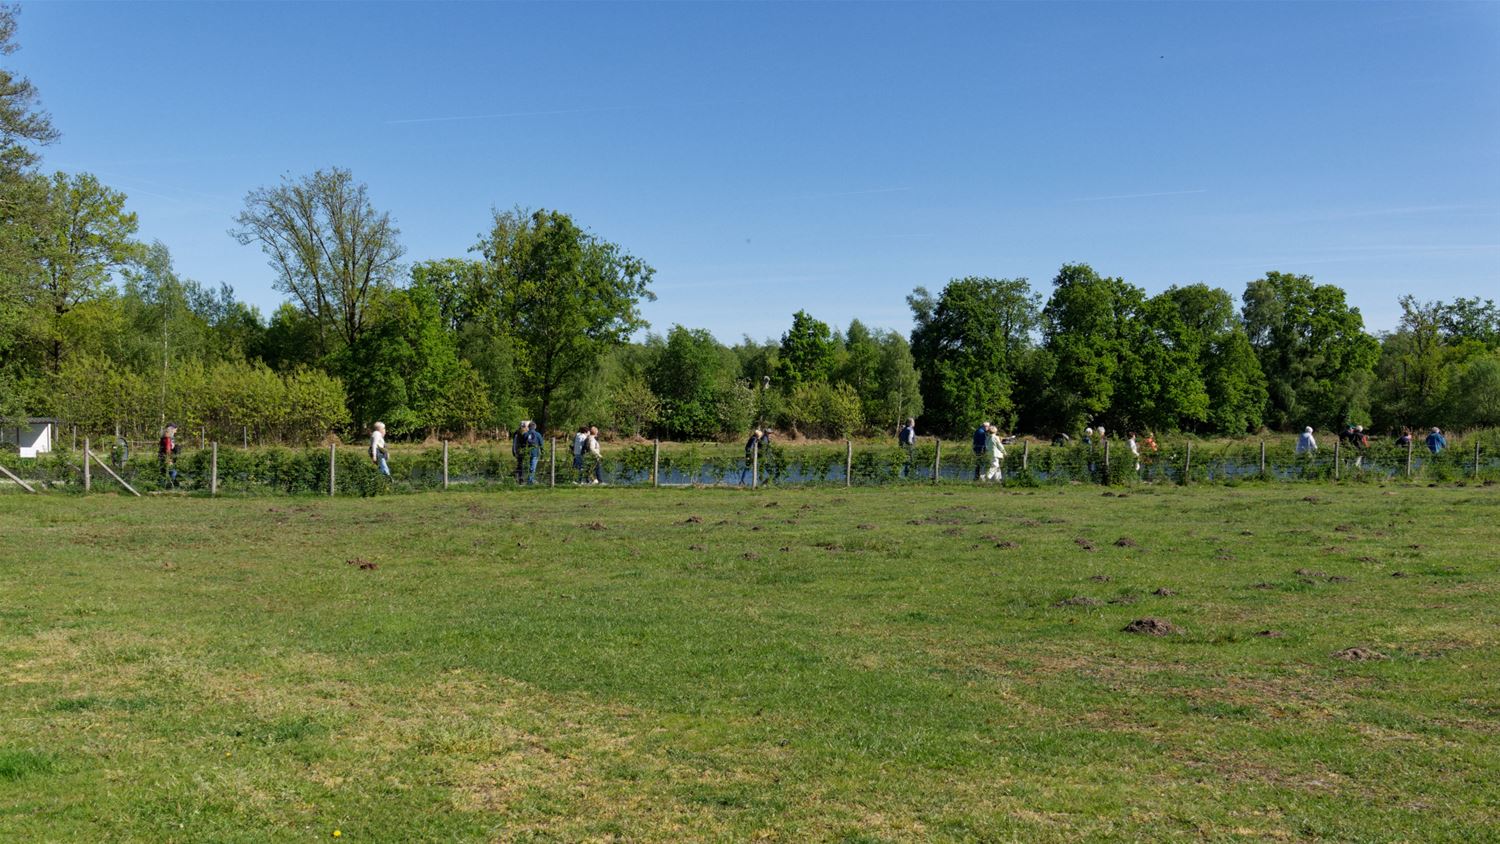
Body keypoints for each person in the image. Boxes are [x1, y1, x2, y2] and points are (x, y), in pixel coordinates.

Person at [158, 423, 181, 488]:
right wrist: (168, 459)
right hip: (166, 457)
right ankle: (169, 485)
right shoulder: (167, 438)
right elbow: (168, 449)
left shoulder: (167, 437)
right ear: (171, 429)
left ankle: (163, 485)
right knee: (172, 471)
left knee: (164, 471)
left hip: (164, 456)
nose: (176, 430)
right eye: (175, 429)